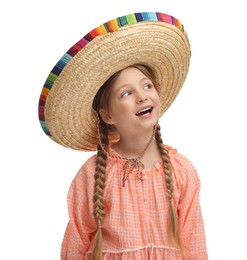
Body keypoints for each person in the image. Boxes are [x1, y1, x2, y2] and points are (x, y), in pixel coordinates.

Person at [38, 12, 208, 259]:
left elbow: (194, 242)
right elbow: (75, 242)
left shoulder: (182, 171)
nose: (142, 96)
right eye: (126, 93)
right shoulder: (92, 175)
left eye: (147, 85)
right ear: (108, 116)